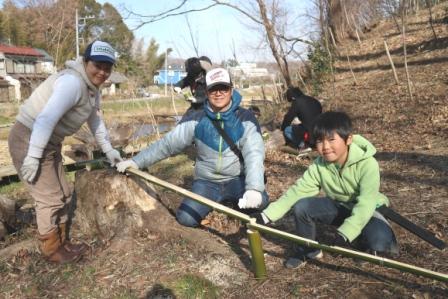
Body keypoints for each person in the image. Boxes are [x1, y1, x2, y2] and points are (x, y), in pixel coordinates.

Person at [8, 40, 123, 263]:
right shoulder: (72, 83)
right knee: (49, 198)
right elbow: (45, 118)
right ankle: (51, 250)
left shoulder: (92, 91)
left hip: (50, 142)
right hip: (29, 137)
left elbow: (96, 123)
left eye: (107, 68)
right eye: (97, 65)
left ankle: (61, 241)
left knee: (63, 193)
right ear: (85, 62)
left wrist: (109, 150)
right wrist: (32, 157)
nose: (102, 72)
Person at [116, 67, 269, 227]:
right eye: (213, 89)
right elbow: (167, 145)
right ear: (207, 92)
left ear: (231, 89)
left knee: (261, 202)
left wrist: (254, 188)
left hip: (236, 179)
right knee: (186, 219)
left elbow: (254, 154)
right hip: (207, 182)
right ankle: (220, 202)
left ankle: (234, 203)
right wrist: (136, 162)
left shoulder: (245, 118)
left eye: (223, 88)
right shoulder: (196, 118)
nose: (218, 93)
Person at [252, 111, 398, 268]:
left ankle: (359, 239)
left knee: (381, 244)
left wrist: (345, 233)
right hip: (340, 206)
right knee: (302, 206)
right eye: (320, 141)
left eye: (331, 140)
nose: (326, 147)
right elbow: (297, 192)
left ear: (348, 139)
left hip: (369, 210)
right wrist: (265, 216)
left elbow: (366, 204)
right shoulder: (319, 165)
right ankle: (307, 250)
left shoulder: (368, 164)